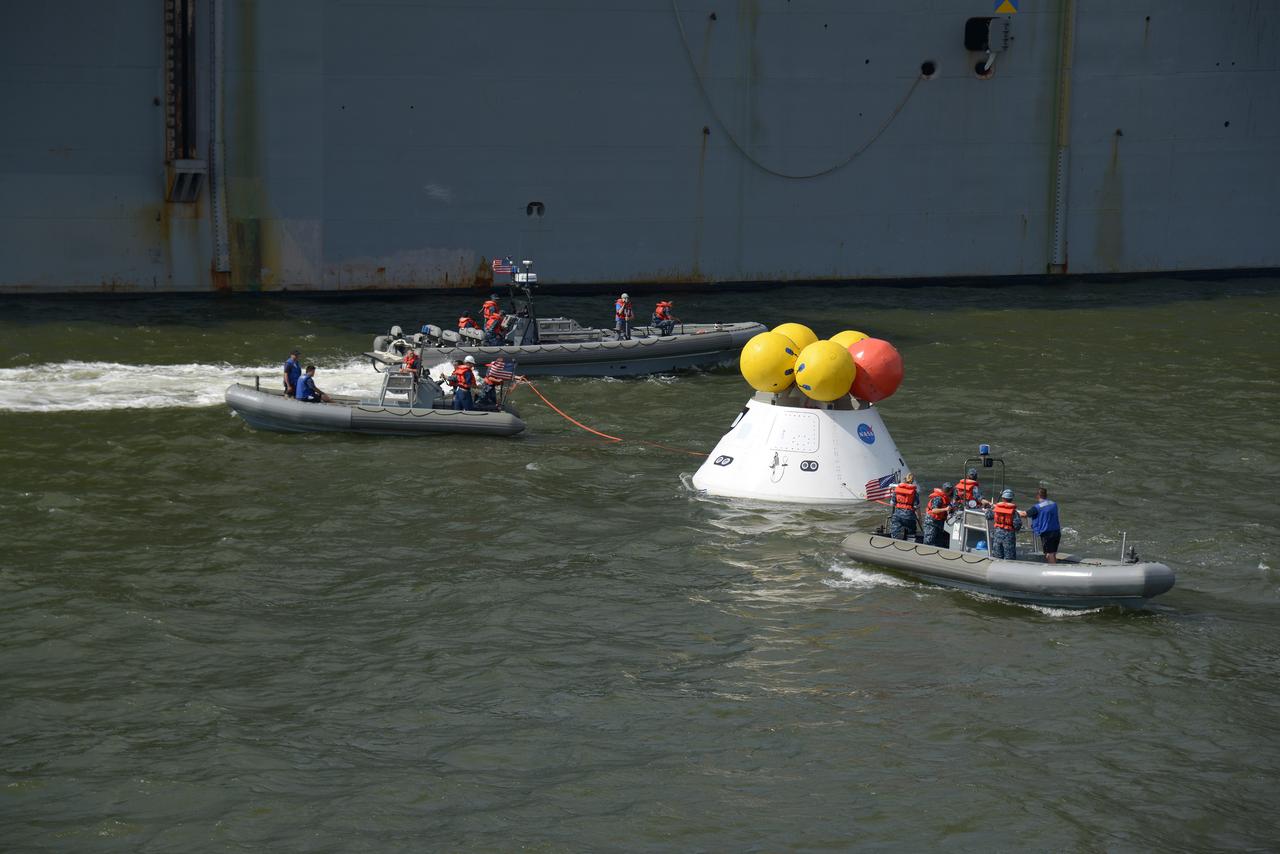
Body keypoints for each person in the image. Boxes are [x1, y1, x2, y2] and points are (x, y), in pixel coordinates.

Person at [1020, 487, 1063, 564]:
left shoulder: (1037, 507)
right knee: (1053, 552)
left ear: (1037, 496)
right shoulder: (1054, 504)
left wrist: (1013, 511)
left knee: (1049, 554)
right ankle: (1054, 565)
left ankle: (1053, 571)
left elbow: (1024, 514)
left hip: (1047, 533)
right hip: (1056, 531)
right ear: (1046, 495)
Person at [986, 488, 1023, 560]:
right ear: (1011, 499)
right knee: (1009, 557)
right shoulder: (1014, 512)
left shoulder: (996, 509)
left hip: (997, 535)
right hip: (1009, 536)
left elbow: (988, 516)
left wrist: (991, 508)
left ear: (1003, 498)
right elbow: (1017, 525)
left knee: (997, 556)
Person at [889, 472, 921, 541]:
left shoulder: (897, 490)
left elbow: (892, 503)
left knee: (895, 534)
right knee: (911, 535)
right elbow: (916, 506)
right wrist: (919, 519)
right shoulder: (914, 492)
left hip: (897, 516)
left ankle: (894, 545)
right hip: (909, 517)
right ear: (912, 481)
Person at [923, 481, 953, 547]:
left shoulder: (946, 498)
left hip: (939, 522)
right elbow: (934, 510)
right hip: (931, 522)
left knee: (938, 541)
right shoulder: (938, 498)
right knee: (929, 541)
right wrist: (945, 509)